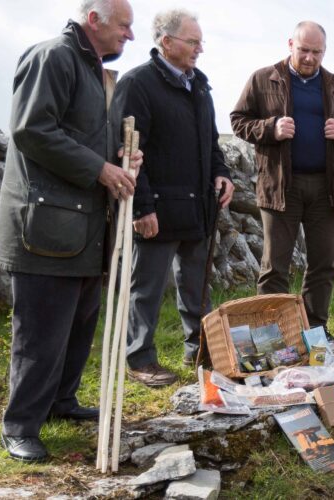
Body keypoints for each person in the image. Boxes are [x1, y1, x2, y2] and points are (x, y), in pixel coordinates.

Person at [0, 0, 139, 462]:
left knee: (77, 324)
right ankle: (20, 425)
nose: (129, 36)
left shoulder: (95, 72)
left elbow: (85, 137)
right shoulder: (52, 56)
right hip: (46, 227)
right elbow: (31, 129)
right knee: (41, 332)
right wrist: (100, 170)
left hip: (84, 228)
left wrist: (120, 160)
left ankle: (60, 402)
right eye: (123, 26)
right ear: (93, 20)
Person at [115, 9, 234, 387]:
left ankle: (199, 349)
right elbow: (128, 150)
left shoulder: (199, 86)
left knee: (197, 286)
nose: (200, 49)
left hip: (198, 206)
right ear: (166, 42)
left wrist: (223, 173)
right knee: (146, 288)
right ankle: (139, 359)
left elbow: (211, 143)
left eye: (200, 42)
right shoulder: (138, 84)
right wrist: (143, 206)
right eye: (192, 42)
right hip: (158, 209)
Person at [230, 21, 334, 342]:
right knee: (275, 266)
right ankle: (270, 339)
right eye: (304, 50)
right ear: (290, 44)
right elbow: (239, 121)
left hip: (326, 189)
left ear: (324, 52)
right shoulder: (263, 79)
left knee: (324, 264)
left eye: (316, 52)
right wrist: (271, 128)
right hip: (280, 187)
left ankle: (315, 334)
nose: (309, 58)